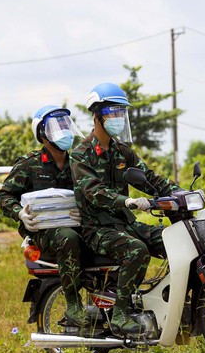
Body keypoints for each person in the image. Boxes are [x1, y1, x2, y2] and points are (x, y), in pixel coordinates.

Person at [70, 82, 180, 336]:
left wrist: (180, 193)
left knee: (171, 239)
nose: (119, 118)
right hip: (96, 228)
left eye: (122, 113)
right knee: (136, 249)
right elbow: (94, 191)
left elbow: (149, 179)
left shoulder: (122, 152)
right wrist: (126, 201)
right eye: (113, 112)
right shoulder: (81, 154)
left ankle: (162, 304)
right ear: (97, 116)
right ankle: (120, 313)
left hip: (124, 223)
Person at [0, 105, 89, 333]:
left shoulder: (77, 163)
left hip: (75, 225)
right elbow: (5, 195)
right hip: (43, 231)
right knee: (67, 237)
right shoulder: (29, 164)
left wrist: (85, 211)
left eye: (66, 125)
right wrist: (20, 213)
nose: (64, 131)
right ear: (42, 135)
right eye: (57, 127)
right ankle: (73, 304)